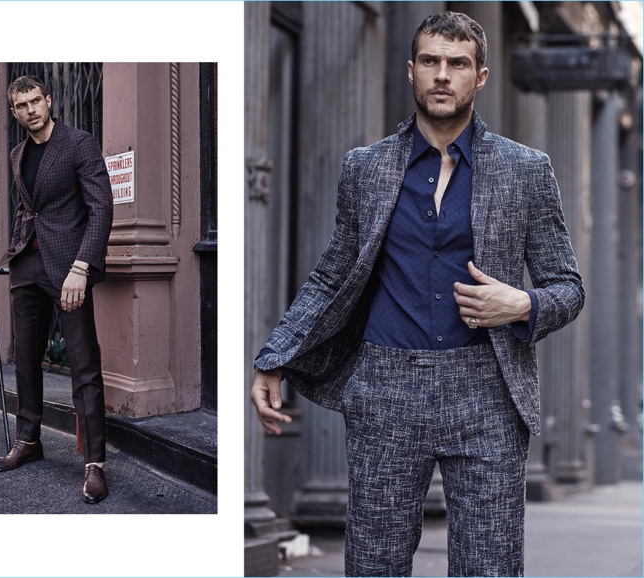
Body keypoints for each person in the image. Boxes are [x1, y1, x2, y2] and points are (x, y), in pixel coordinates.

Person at [250, 11, 584, 577]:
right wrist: (274, 356)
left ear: (479, 77)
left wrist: (522, 304)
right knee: (374, 565)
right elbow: (333, 274)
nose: (442, 75)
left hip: (487, 391)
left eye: (457, 64)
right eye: (430, 61)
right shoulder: (368, 167)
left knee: (491, 568)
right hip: (387, 387)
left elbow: (568, 287)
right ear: (411, 70)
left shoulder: (526, 170)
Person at [0, 75, 113, 505]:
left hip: (69, 268)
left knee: (84, 364)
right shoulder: (16, 153)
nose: (30, 109)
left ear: (48, 100)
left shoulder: (78, 143)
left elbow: (101, 207)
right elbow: (29, 208)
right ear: (14, 112)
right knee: (24, 357)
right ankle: (29, 440)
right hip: (27, 265)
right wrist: (13, 253)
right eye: (21, 105)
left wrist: (82, 266)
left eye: (35, 101)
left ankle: (95, 463)